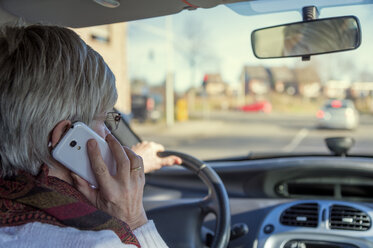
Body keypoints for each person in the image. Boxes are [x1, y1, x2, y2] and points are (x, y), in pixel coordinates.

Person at [0, 24, 169, 247]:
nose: (111, 136)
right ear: (63, 137)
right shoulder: (95, 241)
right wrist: (134, 219)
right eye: (102, 121)